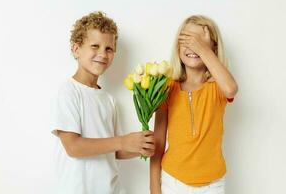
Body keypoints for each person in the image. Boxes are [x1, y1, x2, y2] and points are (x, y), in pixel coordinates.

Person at [51, 11, 155, 194]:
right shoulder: (69, 91)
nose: (103, 54)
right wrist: (122, 141)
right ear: (76, 49)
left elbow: (113, 151)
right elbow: (73, 147)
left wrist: (139, 148)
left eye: (109, 49)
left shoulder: (109, 100)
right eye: (95, 46)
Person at [150, 15, 238, 194]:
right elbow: (158, 142)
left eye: (199, 42)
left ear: (212, 48)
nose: (193, 46)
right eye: (187, 40)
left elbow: (231, 89)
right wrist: (154, 188)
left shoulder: (218, 87)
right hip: (172, 181)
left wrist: (204, 50)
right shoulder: (167, 87)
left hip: (212, 184)